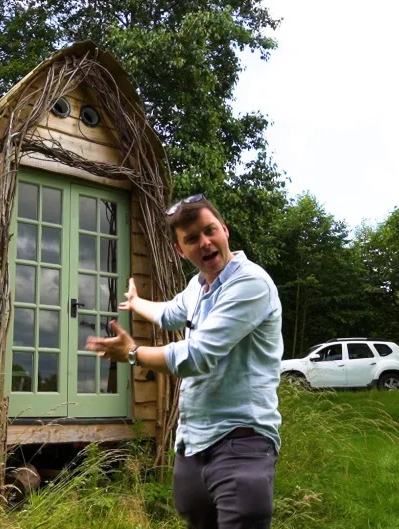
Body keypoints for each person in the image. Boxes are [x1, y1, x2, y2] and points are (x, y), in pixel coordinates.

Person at [86, 195, 283, 529]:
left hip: (242, 439)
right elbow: (169, 313)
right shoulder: (197, 287)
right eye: (192, 239)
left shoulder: (250, 283)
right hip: (193, 443)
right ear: (181, 250)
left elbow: (198, 356)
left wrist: (133, 354)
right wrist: (135, 303)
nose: (205, 243)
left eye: (209, 231)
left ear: (225, 230)